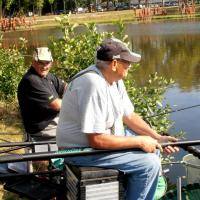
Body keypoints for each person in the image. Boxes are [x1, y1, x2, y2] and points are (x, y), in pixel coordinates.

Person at [56, 38, 179, 200]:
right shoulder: (93, 83)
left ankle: (127, 193)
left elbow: (129, 116)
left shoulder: (114, 81)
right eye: (126, 61)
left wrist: (156, 137)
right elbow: (96, 140)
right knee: (149, 164)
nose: (130, 65)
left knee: (154, 149)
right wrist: (140, 141)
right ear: (114, 64)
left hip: (95, 145)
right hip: (80, 151)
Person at [18, 47, 66, 151]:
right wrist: (78, 102)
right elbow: (57, 105)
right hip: (43, 127)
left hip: (53, 120)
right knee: (78, 130)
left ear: (52, 62)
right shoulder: (31, 80)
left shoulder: (48, 76)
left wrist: (77, 92)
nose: (45, 66)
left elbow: (66, 87)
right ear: (34, 62)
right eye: (41, 62)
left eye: (47, 63)